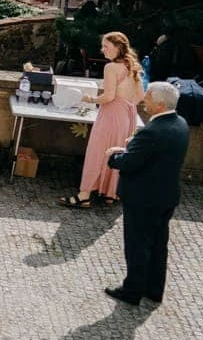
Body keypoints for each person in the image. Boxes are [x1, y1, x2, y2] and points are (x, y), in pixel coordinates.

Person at [104, 81, 189, 307]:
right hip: (167, 195)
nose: (144, 100)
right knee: (159, 244)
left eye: (149, 97)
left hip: (143, 198)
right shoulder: (180, 124)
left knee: (137, 244)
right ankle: (154, 290)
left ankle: (132, 291)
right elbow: (156, 156)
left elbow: (129, 163)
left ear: (160, 105)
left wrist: (113, 155)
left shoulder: (151, 132)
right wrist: (136, 146)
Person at [62, 32, 144, 209]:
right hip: (127, 116)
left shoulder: (111, 68)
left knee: (97, 152)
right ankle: (110, 193)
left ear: (118, 47)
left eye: (106, 46)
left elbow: (108, 96)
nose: (102, 50)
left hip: (111, 115)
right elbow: (140, 96)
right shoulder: (132, 66)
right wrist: (124, 105)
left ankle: (84, 195)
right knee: (118, 152)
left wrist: (88, 99)